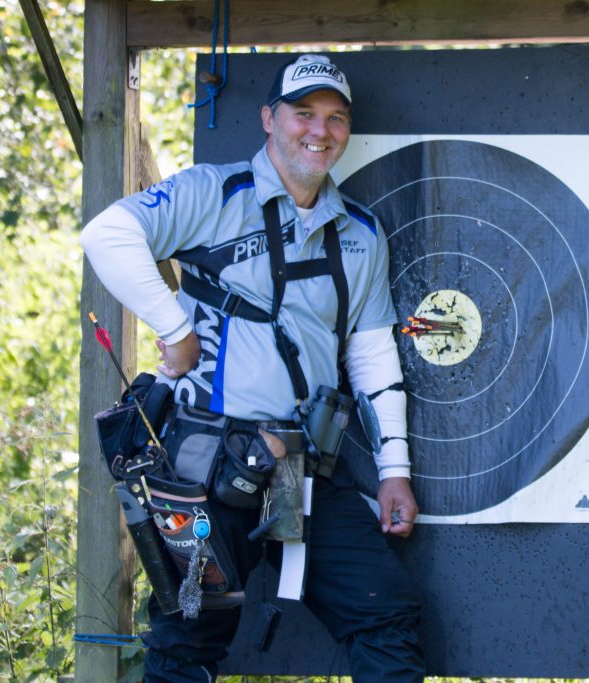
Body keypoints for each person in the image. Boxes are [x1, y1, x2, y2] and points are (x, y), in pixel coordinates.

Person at [81, 54, 425, 682]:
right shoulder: (213, 193)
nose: (319, 131)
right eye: (303, 113)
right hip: (205, 466)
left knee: (387, 616)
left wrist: (394, 469)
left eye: (335, 118)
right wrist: (176, 331)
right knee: (187, 643)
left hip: (302, 468)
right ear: (269, 118)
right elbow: (107, 234)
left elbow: (373, 354)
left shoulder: (362, 233)